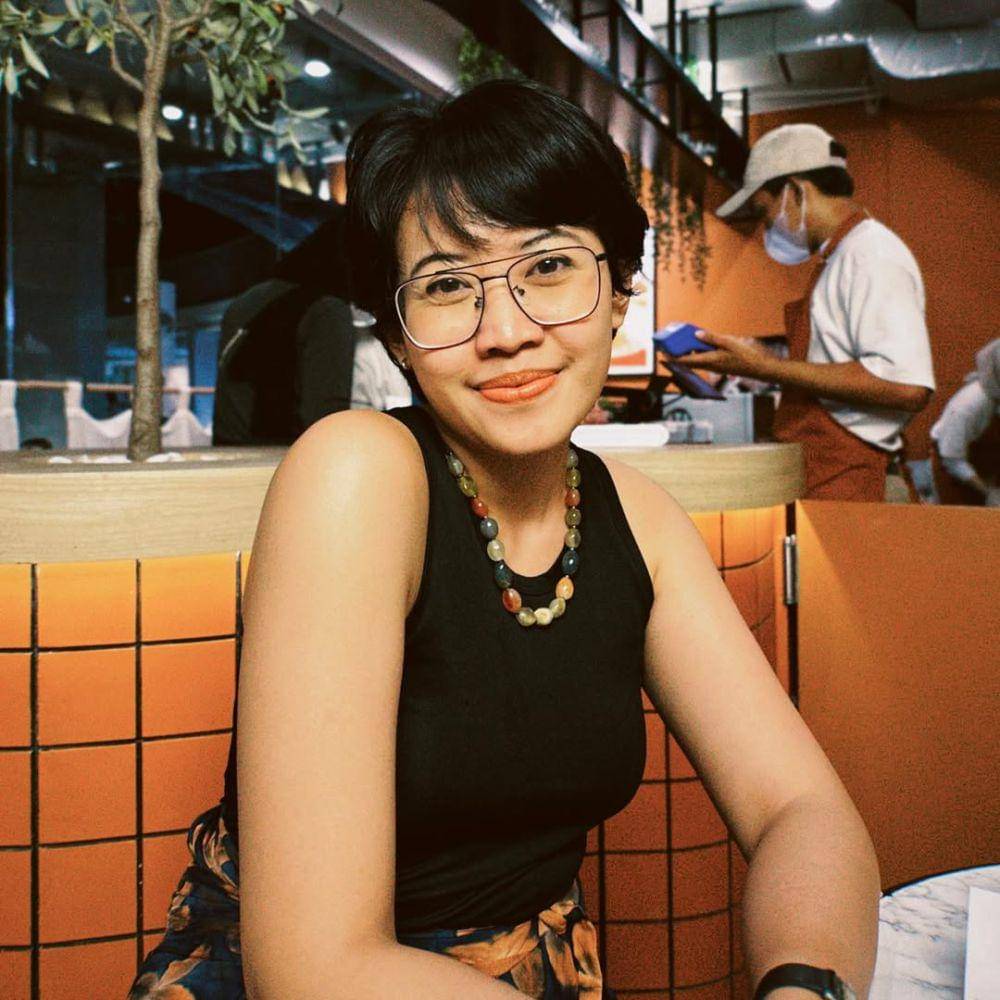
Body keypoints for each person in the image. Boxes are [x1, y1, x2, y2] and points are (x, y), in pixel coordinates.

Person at [129, 80, 880, 999]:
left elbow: (802, 808)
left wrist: (803, 987)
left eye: (550, 267)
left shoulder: (639, 520)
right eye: (448, 286)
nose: (508, 331)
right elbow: (315, 968)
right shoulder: (358, 475)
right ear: (398, 336)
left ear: (619, 290)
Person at [676, 123, 935, 502]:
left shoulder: (871, 255)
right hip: (826, 471)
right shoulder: (840, 256)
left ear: (795, 191)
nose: (766, 226)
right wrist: (761, 359)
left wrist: (768, 367)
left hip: (853, 477)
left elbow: (905, 386)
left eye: (764, 211)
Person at [930, 337, 1000, 505]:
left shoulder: (995, 395)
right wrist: (989, 493)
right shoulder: (970, 404)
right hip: (946, 477)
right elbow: (952, 460)